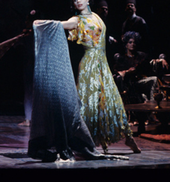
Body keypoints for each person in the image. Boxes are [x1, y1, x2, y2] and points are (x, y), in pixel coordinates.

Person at [27, 19, 128, 162]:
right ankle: (80, 142)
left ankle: (102, 141)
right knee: (76, 105)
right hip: (82, 64)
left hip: (98, 62)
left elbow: (73, 25)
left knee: (102, 106)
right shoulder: (76, 18)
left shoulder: (92, 20)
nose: (78, 1)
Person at [61, 0, 141, 154]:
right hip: (89, 64)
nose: (78, 1)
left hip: (102, 64)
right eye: (74, 0)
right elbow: (61, 25)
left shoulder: (97, 17)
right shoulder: (76, 19)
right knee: (90, 103)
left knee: (112, 101)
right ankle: (86, 140)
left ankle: (127, 136)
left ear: (88, 0)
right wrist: (42, 23)